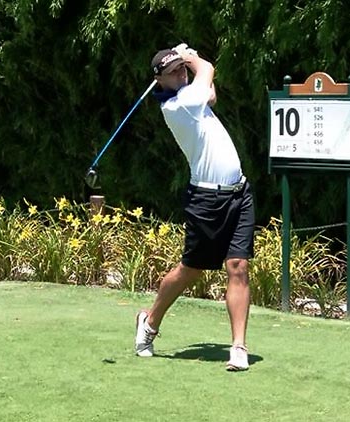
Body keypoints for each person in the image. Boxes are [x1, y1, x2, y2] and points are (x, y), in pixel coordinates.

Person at [135, 43, 255, 371]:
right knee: (190, 271)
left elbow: (211, 92)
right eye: (174, 71)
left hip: (239, 194)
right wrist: (190, 55)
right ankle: (149, 320)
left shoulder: (192, 97)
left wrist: (188, 62)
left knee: (238, 267)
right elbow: (208, 70)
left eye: (182, 69)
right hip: (207, 201)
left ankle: (239, 347)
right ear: (160, 81)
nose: (181, 72)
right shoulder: (178, 105)